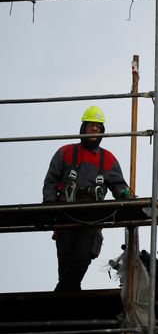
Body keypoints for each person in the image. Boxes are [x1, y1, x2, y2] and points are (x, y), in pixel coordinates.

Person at [43, 106, 132, 292]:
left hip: (91, 218)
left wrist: (126, 195)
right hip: (66, 216)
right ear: (83, 127)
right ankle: (69, 294)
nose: (95, 130)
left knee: (82, 256)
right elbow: (51, 180)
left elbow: (119, 186)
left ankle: (65, 293)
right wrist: (49, 204)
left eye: (99, 127)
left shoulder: (107, 159)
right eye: (92, 125)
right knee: (66, 258)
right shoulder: (65, 152)